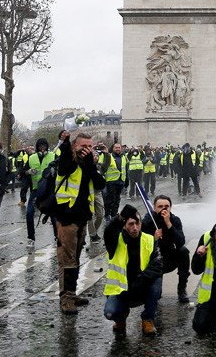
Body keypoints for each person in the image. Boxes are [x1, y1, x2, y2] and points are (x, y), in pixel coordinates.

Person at [54, 131, 105, 314]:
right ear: (75, 146)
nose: (87, 150)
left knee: (75, 258)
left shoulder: (88, 164)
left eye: (90, 146)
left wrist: (92, 164)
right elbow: (65, 161)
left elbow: (100, 184)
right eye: (83, 146)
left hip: (83, 216)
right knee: (67, 259)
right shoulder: (68, 160)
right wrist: (66, 141)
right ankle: (66, 298)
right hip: (67, 216)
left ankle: (72, 293)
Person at [104, 204, 162, 336]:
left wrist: (140, 281)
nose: (134, 227)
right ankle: (120, 320)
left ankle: (147, 319)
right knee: (110, 312)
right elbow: (108, 231)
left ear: (141, 223)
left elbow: (157, 266)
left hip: (142, 287)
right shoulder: (115, 241)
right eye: (130, 224)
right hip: (121, 290)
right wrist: (120, 217)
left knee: (157, 282)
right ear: (124, 225)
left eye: (137, 223)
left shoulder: (150, 240)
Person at [141, 194, 190, 303]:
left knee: (184, 251)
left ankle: (182, 289)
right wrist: (154, 239)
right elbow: (141, 245)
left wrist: (169, 224)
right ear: (154, 208)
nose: (164, 209)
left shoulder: (175, 220)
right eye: (160, 206)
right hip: (154, 259)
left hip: (169, 257)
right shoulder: (148, 220)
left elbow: (181, 241)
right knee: (156, 296)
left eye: (166, 206)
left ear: (170, 207)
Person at [26, 138, 56, 249]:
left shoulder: (53, 156)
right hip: (36, 190)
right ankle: (31, 237)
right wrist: (28, 172)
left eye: (44, 147)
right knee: (29, 213)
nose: (42, 149)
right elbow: (22, 172)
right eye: (40, 147)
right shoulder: (32, 157)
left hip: (49, 190)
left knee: (53, 214)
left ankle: (57, 236)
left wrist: (55, 171)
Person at [103, 143, 127, 223]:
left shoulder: (123, 157)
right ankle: (107, 215)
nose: (118, 149)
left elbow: (125, 169)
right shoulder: (109, 156)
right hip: (111, 181)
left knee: (117, 199)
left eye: (119, 148)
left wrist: (126, 180)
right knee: (110, 200)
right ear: (113, 148)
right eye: (116, 147)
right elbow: (103, 167)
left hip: (120, 181)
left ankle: (114, 215)